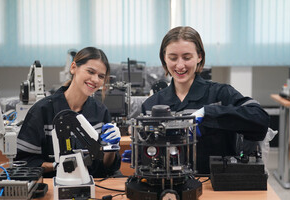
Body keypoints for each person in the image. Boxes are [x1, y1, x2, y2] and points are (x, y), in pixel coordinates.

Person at [141, 26, 270, 174]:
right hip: (169, 185)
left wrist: (210, 112)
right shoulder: (151, 105)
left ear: (199, 56)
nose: (180, 65)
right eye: (173, 58)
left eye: (187, 57)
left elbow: (261, 120)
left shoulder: (221, 94)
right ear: (164, 58)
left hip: (214, 183)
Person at [15, 47, 121, 178]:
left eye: (101, 76)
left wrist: (111, 148)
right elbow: (24, 162)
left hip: (91, 185)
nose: (95, 80)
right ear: (73, 68)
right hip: (52, 186)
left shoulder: (100, 112)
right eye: (90, 71)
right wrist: (59, 165)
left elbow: (106, 167)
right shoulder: (42, 110)